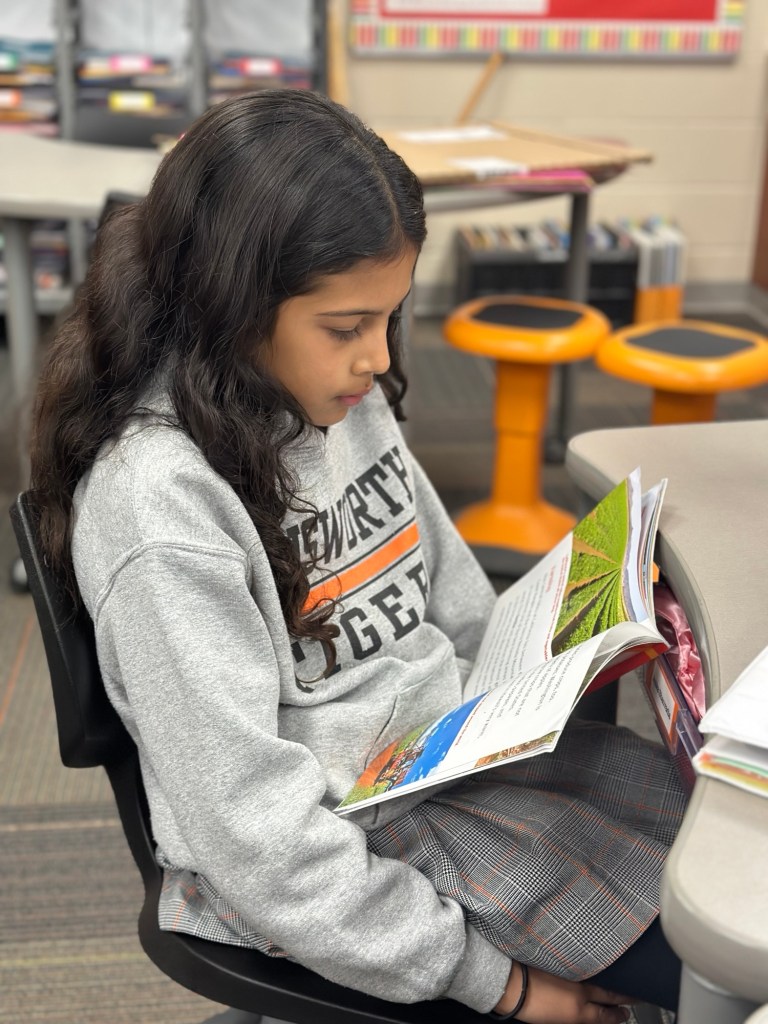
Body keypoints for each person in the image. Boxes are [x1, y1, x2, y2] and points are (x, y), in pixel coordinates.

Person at [30, 90, 687, 1023]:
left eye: (391, 317)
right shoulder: (159, 507)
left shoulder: (330, 389)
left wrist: (551, 666)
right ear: (228, 304)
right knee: (712, 938)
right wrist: (499, 987)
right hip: (347, 840)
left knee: (714, 834)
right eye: (346, 327)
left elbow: (452, 598)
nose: (378, 358)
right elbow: (261, 840)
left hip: (443, 757)